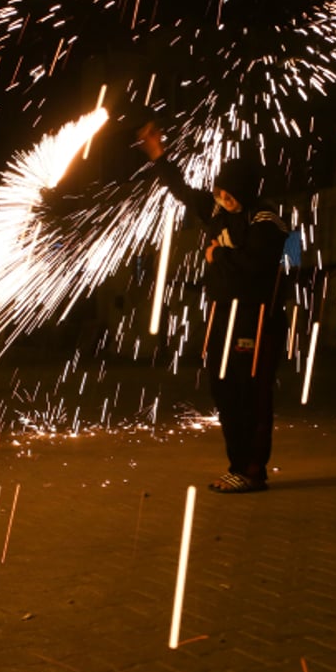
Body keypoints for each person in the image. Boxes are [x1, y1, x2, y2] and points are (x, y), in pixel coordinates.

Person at [136, 121, 289, 493]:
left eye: (232, 194)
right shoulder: (216, 210)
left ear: (247, 192)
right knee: (223, 390)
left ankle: (251, 470)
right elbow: (183, 191)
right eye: (221, 191)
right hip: (222, 316)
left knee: (250, 393)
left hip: (255, 320)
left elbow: (258, 267)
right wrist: (158, 155)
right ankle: (237, 465)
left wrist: (217, 254)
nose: (224, 198)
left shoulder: (265, 220)